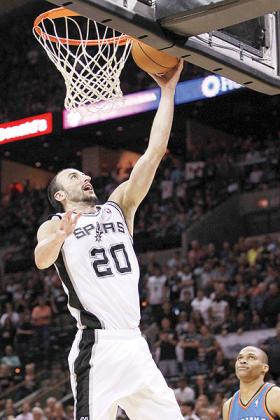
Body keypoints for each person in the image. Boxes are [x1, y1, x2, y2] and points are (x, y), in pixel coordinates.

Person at [35, 61, 184, 420]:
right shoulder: (54, 223)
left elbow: (152, 153)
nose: (85, 175)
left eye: (83, 172)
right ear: (60, 195)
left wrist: (168, 93)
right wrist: (60, 236)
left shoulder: (119, 206)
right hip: (97, 347)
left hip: (135, 343)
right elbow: (41, 258)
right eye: (74, 175)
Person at [222, 346, 280, 420]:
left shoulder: (276, 395)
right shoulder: (228, 405)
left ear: (264, 368)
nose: (242, 361)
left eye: (251, 357)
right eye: (240, 358)